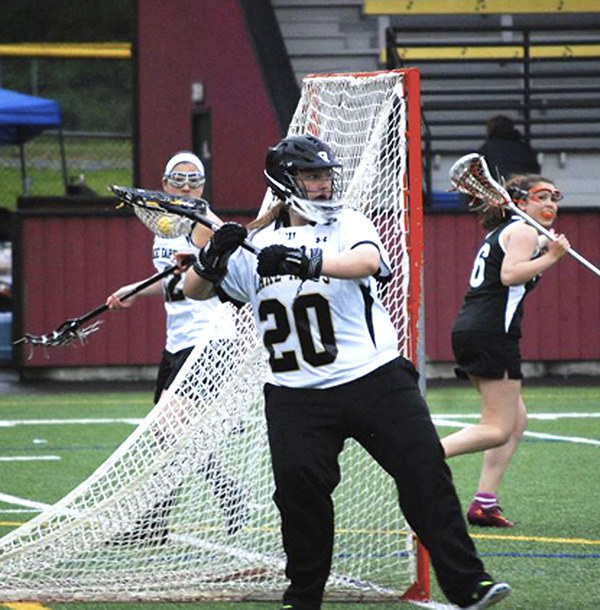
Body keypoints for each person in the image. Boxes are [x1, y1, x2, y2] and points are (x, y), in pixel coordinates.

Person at [183, 134, 511, 609]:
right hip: (295, 395)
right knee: (299, 496)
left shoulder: (346, 222)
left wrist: (306, 261)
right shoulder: (255, 242)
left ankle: (468, 583)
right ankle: (303, 598)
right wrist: (212, 256)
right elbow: (195, 290)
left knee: (424, 476)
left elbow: (368, 261)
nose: (321, 185)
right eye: (311, 176)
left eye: (324, 175)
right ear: (284, 181)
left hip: (373, 380)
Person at [106, 151, 248, 544]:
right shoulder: (164, 225)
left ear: (203, 186)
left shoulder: (203, 225)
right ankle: (156, 525)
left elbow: (209, 277)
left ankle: (229, 493)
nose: (186, 188)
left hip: (210, 341)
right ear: (165, 184)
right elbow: (173, 281)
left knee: (170, 428)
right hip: (179, 342)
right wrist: (134, 291)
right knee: (165, 437)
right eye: (178, 180)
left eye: (195, 181)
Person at [443, 174, 571, 528]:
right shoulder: (523, 231)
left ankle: (484, 502)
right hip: (490, 333)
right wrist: (552, 257)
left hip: (476, 329)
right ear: (519, 202)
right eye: (540, 197)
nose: (549, 205)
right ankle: (421, 459)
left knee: (516, 420)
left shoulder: (515, 232)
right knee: (498, 428)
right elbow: (510, 276)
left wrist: (546, 253)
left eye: (554, 198)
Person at [478, 115, 541, 182]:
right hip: (525, 185)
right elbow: (535, 169)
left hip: (499, 186)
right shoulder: (524, 148)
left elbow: (478, 171)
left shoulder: (486, 149)